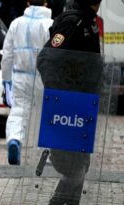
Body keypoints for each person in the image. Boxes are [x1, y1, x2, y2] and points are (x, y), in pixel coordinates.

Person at [37, 0, 102, 204]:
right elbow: (46, 59)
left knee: (82, 163)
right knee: (74, 168)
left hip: (84, 105)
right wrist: (60, 98)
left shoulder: (90, 21)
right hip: (68, 106)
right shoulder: (73, 21)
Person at [1, 0, 53, 165]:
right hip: (43, 77)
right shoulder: (50, 24)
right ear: (46, 3)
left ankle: (15, 139)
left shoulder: (16, 24)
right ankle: (47, 153)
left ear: (28, 2)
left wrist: (6, 79)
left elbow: (7, 54)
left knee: (19, 111)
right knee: (47, 113)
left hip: (20, 76)